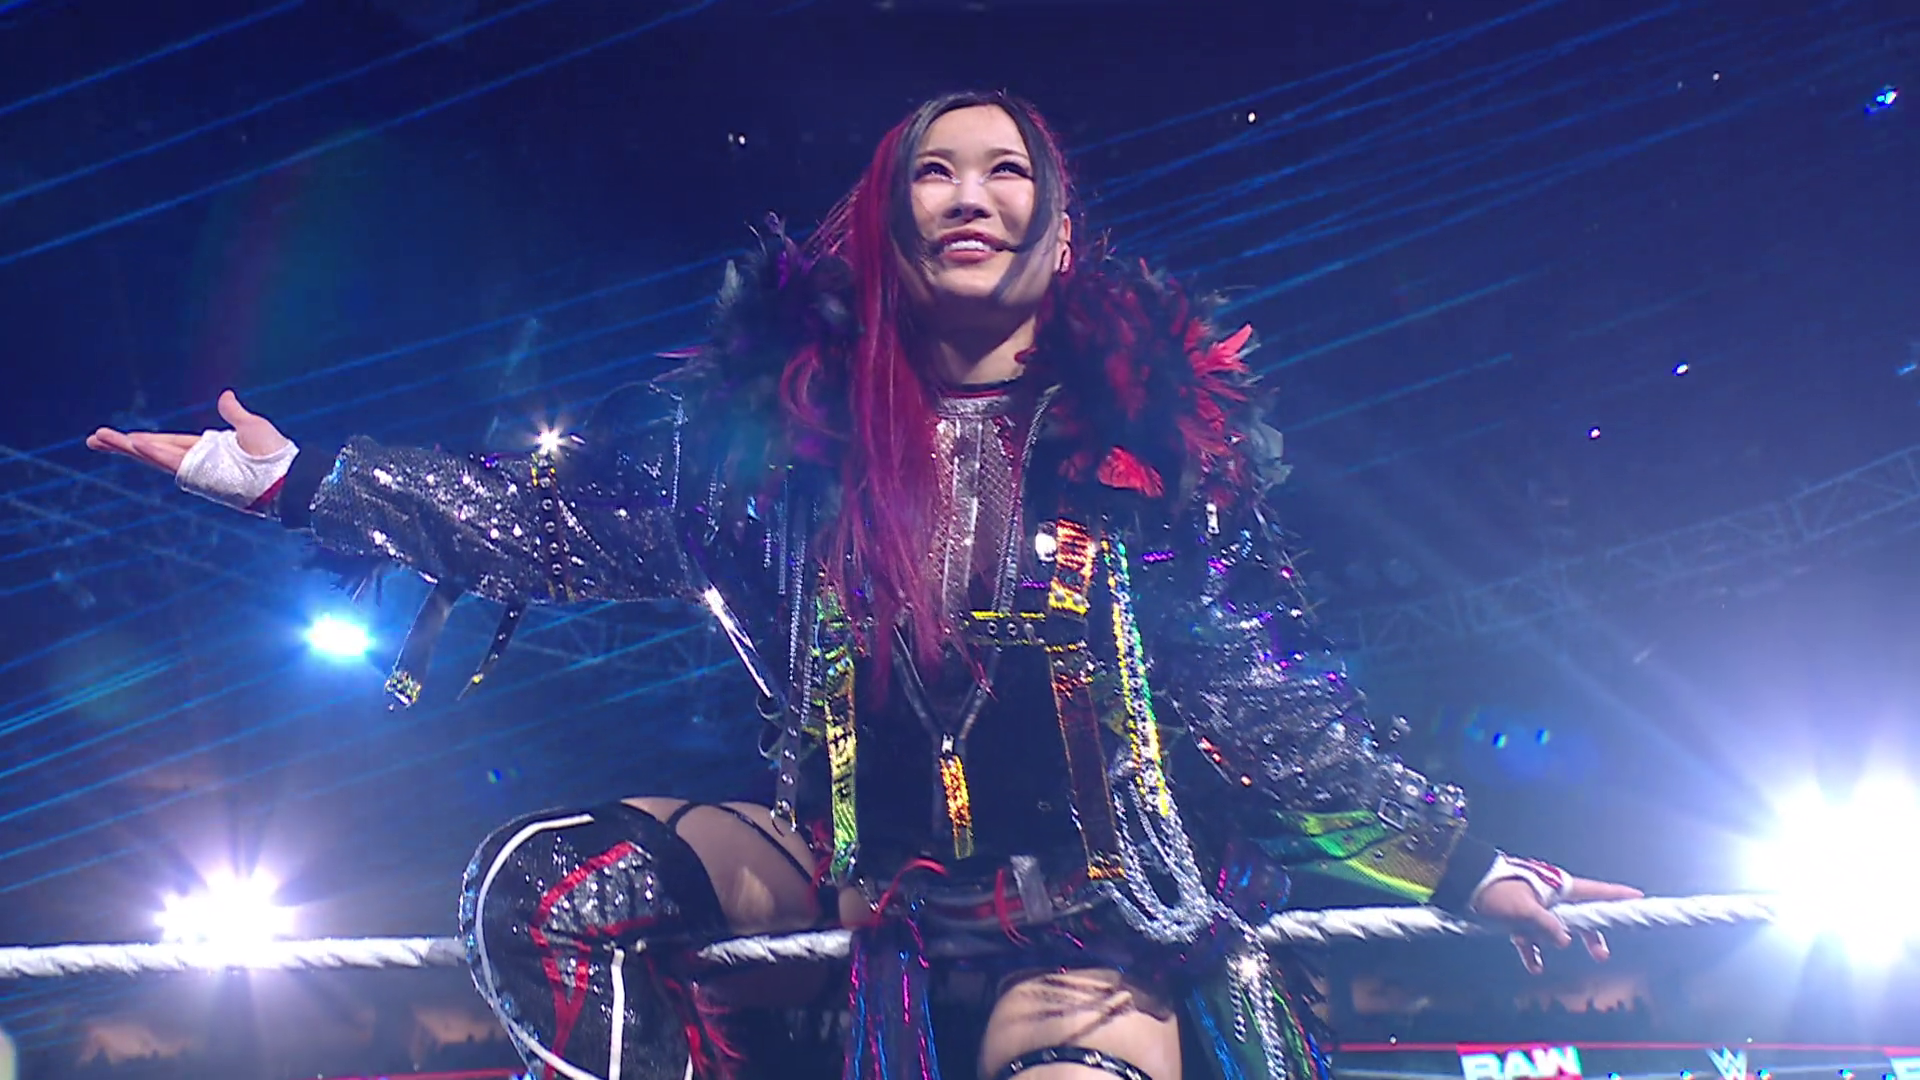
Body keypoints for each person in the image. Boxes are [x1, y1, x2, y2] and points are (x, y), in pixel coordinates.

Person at [91, 90, 1640, 1080]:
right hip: (860, 869)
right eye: (934, 174)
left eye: (1005, 171)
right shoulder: (783, 462)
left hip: (1094, 918)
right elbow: (555, 525)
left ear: (1056, 231)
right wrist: (299, 480)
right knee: (545, 893)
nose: (969, 194)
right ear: (889, 230)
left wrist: (1465, 868)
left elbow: (1268, 700)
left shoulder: (1144, 459)